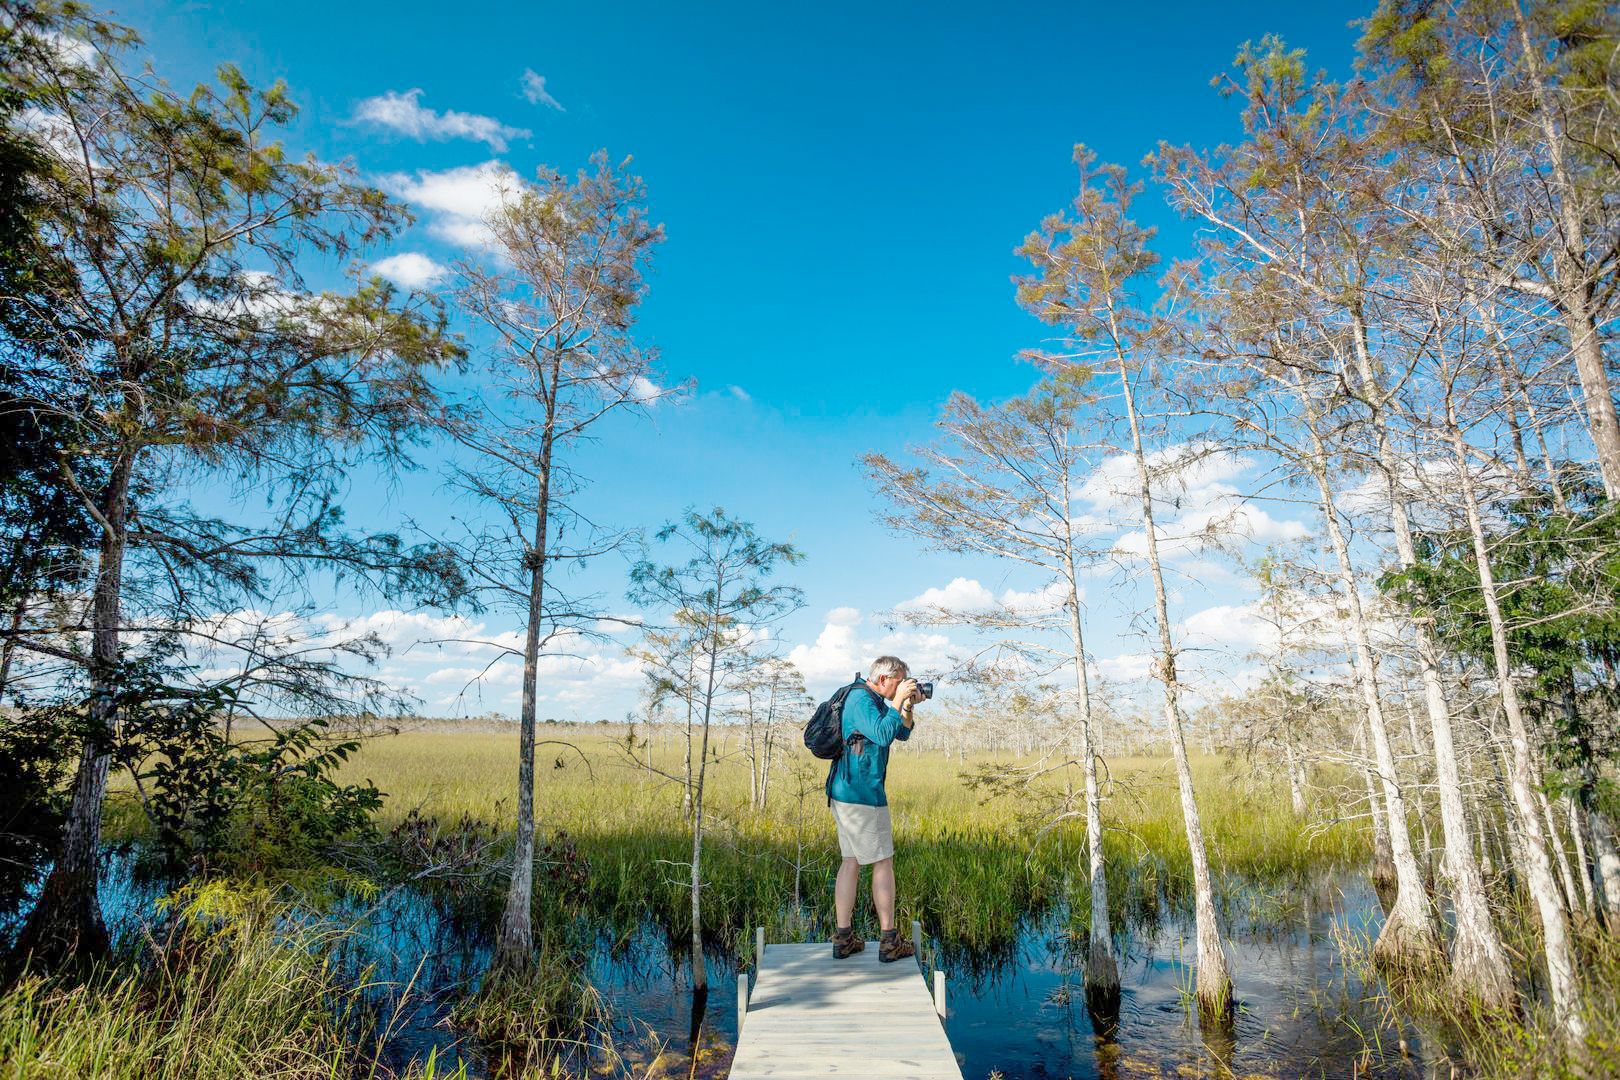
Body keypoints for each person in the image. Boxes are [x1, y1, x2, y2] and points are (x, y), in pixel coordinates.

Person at [826, 655, 923, 961]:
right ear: (883, 679)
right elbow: (882, 734)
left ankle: (844, 940)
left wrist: (905, 705)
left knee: (851, 861)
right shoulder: (860, 700)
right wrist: (897, 703)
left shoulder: (873, 699)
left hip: (848, 791)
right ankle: (889, 941)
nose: (900, 688)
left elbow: (901, 733)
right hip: (862, 795)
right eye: (899, 682)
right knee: (882, 863)